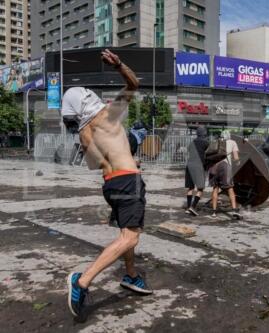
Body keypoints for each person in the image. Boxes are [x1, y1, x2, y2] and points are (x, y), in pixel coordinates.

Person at [62, 49, 152, 320]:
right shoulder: (108, 116)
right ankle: (82, 281)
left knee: (128, 232)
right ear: (89, 100)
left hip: (110, 185)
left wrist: (125, 150)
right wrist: (119, 65)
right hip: (127, 181)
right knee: (130, 237)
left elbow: (100, 161)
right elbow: (134, 84)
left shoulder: (82, 134)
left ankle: (131, 275)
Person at [209, 130, 241, 219]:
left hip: (214, 166)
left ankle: (214, 212)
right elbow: (236, 157)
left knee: (215, 188)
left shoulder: (216, 142)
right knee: (230, 188)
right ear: (229, 135)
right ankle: (234, 211)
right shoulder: (232, 142)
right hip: (225, 166)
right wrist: (238, 162)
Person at [184, 126, 209, 216]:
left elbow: (189, 151)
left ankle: (188, 207)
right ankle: (193, 207)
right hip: (199, 166)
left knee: (190, 188)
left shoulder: (192, 143)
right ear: (204, 133)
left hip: (189, 166)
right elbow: (209, 153)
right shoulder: (206, 143)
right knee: (200, 188)